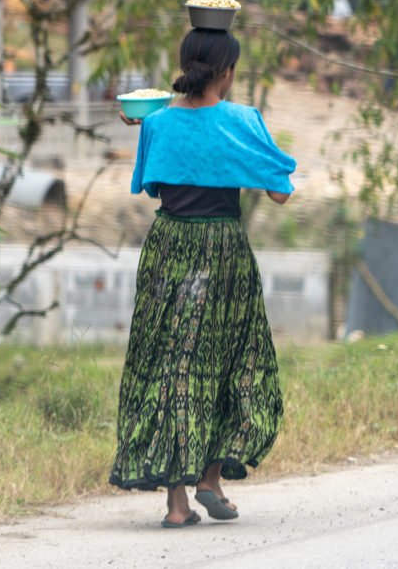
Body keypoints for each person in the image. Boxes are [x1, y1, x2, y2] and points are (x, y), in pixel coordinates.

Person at [109, 28, 296, 528]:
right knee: (234, 359)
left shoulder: (157, 123)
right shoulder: (242, 120)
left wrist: (146, 122)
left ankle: (177, 504)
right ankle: (211, 476)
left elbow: (150, 183)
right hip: (222, 253)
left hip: (169, 249)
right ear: (228, 72)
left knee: (171, 364)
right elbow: (280, 191)